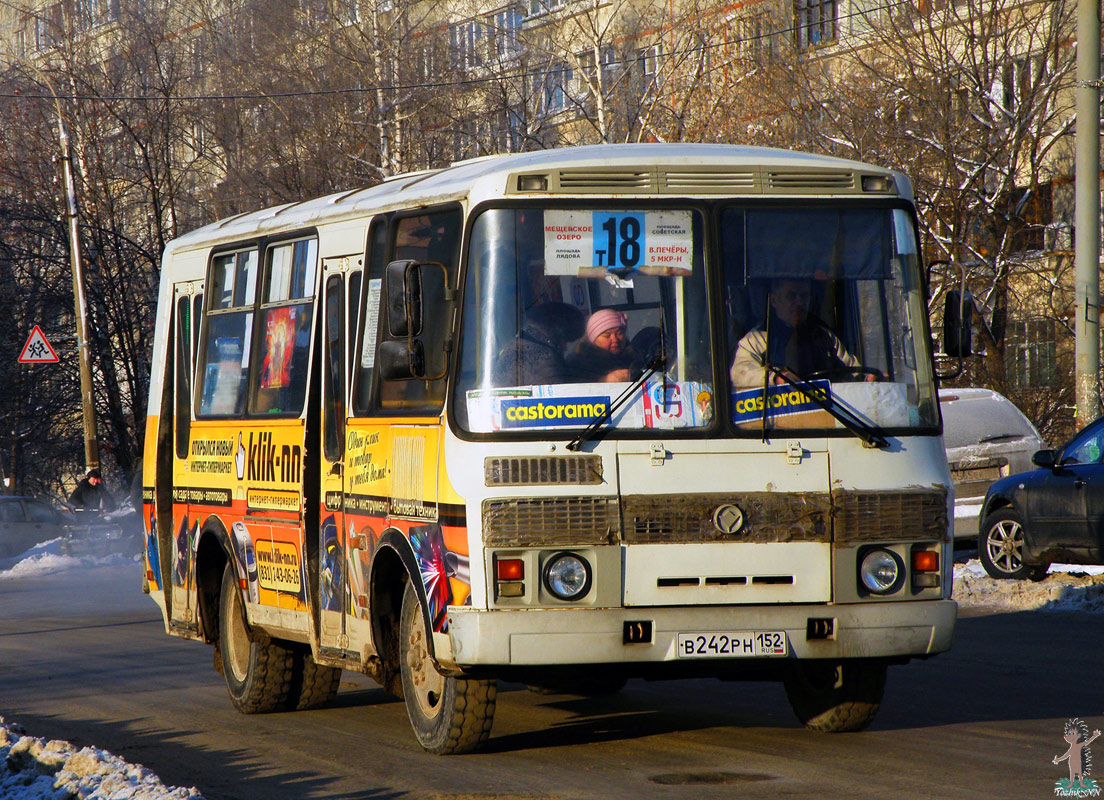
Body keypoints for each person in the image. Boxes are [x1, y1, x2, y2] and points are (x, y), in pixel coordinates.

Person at [730, 277, 874, 389]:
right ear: (774, 300)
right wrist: (775, 378)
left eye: (804, 296)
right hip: (780, 421)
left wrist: (868, 378)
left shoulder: (824, 337)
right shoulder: (758, 339)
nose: (799, 302)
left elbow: (851, 369)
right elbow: (739, 372)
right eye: (791, 296)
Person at [494, 302, 586, 386]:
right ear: (558, 330)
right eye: (565, 340)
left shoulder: (515, 346)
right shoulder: (543, 357)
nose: (565, 348)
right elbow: (559, 400)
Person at [567, 309, 644, 383]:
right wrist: (604, 380)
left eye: (619, 333)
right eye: (607, 335)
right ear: (594, 339)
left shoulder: (636, 356)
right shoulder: (579, 364)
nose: (615, 339)